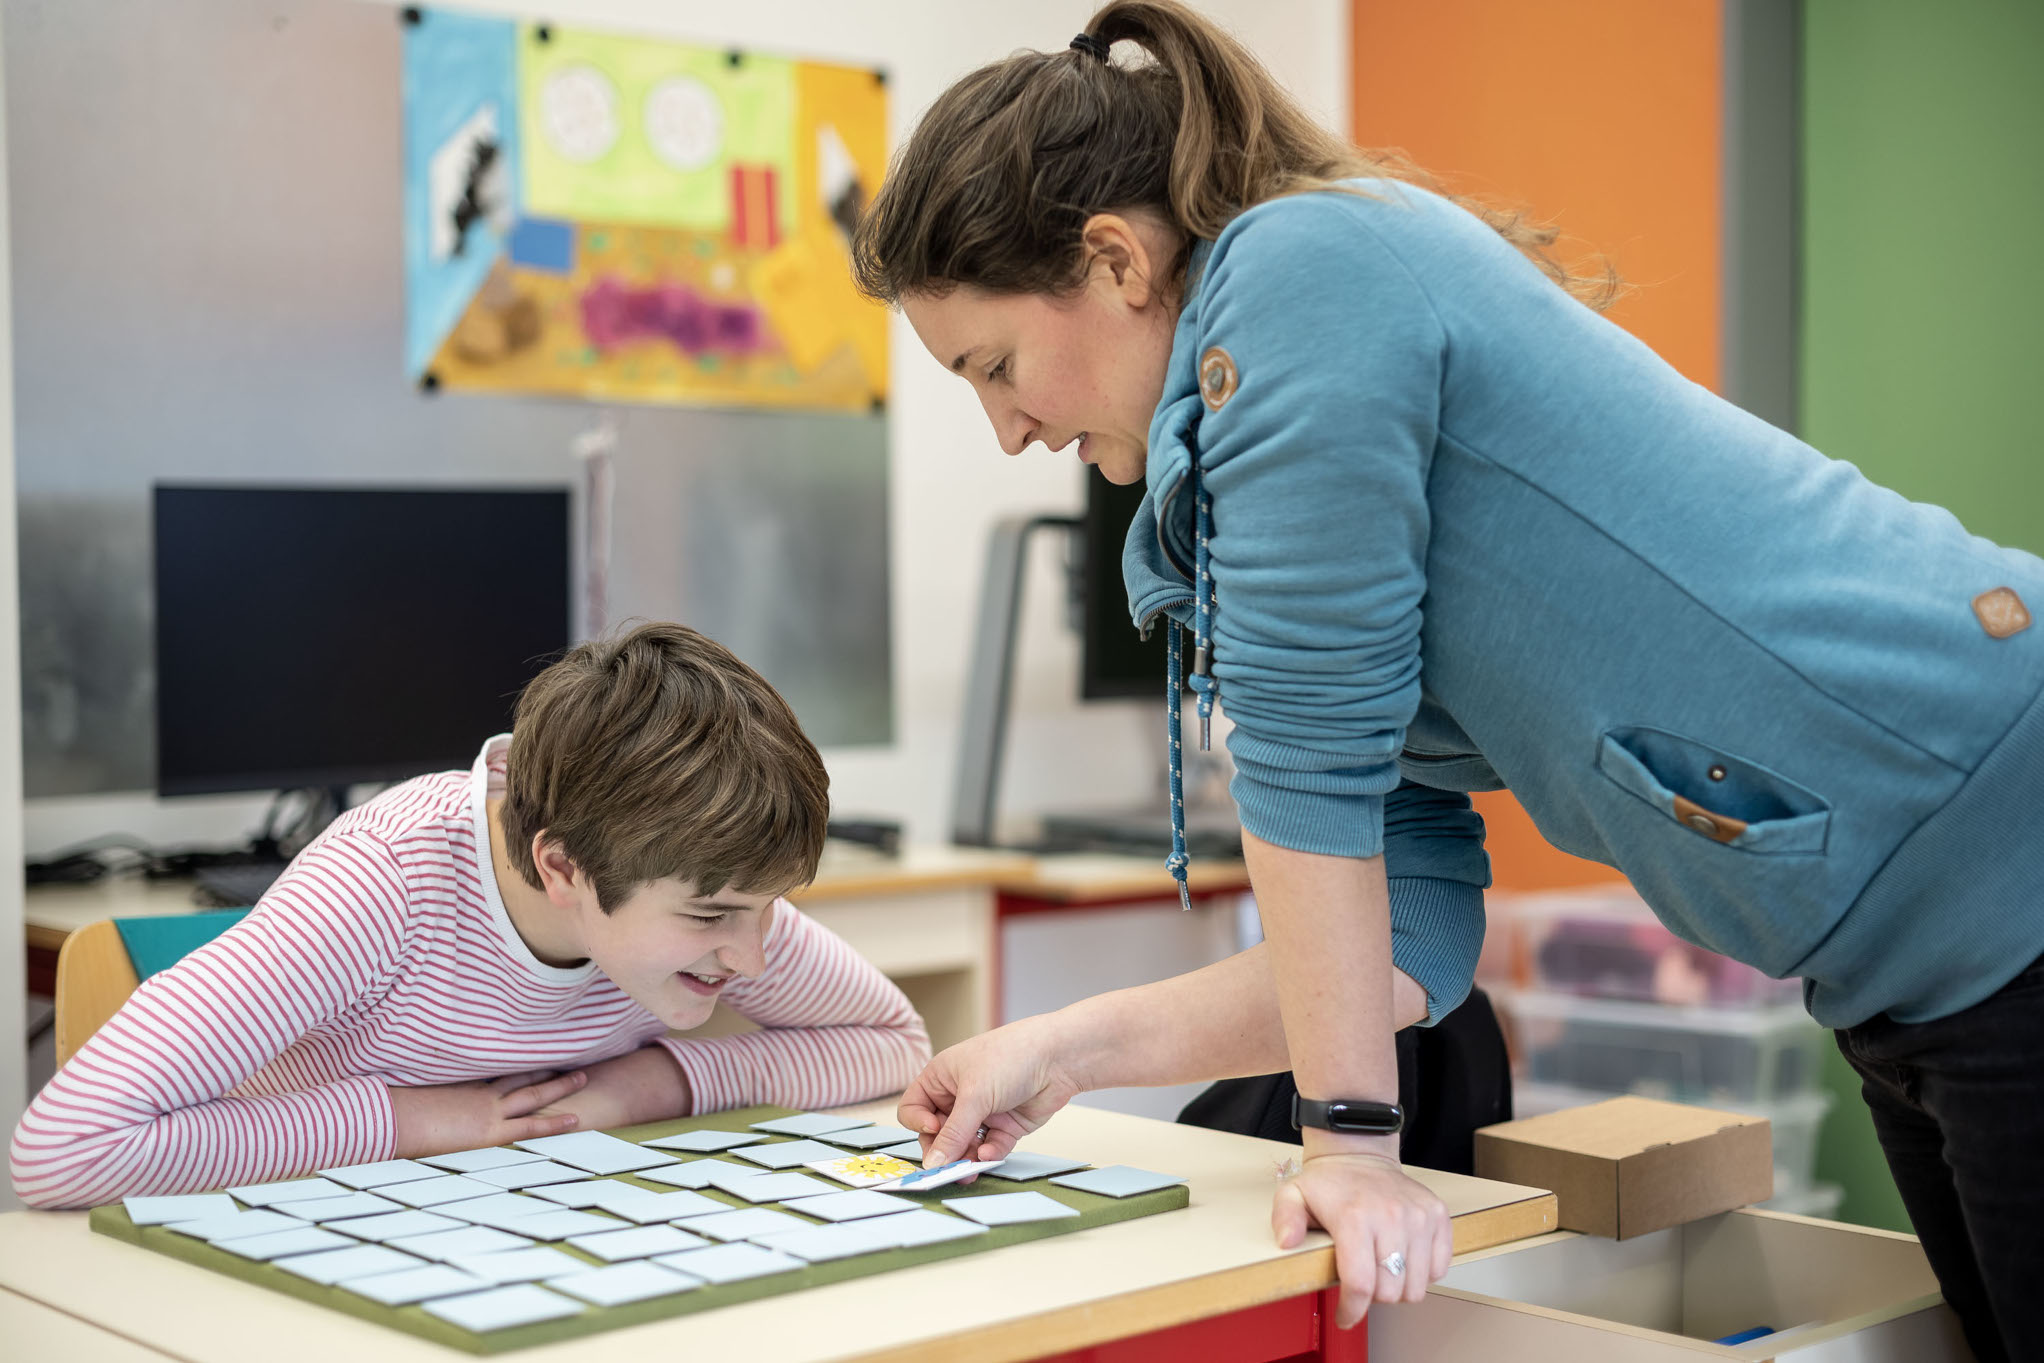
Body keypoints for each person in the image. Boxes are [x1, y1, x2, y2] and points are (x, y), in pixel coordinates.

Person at [849, 3, 2044, 1354]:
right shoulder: (1249, 460)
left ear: (1115, 258)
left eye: (994, 367)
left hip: (2007, 826)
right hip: (1906, 965)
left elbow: (1311, 753)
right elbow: (1397, 929)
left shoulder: (1300, 273)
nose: (1007, 430)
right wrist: (1061, 1049)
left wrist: (1351, 1140)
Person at [11, 623, 931, 1209]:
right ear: (560, 865)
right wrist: (422, 1120)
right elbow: (58, 1151)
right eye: (714, 917)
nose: (755, 955)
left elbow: (894, 1041)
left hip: (520, 1216)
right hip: (316, 1223)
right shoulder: (380, 889)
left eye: (770, 909)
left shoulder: (686, 855)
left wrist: (645, 1087)